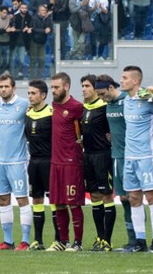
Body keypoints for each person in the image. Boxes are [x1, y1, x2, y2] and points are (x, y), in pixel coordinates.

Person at [120, 65, 153, 253]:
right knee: (134, 198)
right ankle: (140, 241)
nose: (122, 81)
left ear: (136, 81)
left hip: (147, 156)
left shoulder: (149, 100)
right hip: (129, 156)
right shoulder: (125, 101)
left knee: (151, 197)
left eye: (125, 78)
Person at [0, 73, 32, 250]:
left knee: (22, 199)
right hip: (0, 161)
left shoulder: (23, 104)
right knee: (2, 199)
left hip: (18, 161)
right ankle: (7, 241)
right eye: (1, 87)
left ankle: (25, 240)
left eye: (6, 86)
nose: (3, 89)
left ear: (14, 88)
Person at [47, 72, 85, 251]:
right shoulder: (53, 106)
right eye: (52, 87)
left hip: (72, 161)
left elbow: (86, 130)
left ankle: (77, 243)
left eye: (56, 87)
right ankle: (63, 241)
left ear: (67, 87)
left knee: (73, 202)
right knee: (58, 202)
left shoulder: (77, 107)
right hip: (56, 162)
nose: (53, 91)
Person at [83, 75, 118, 251]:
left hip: (103, 156)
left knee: (106, 196)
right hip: (87, 156)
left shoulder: (105, 107)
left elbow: (115, 128)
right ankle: (100, 237)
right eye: (82, 86)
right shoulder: (83, 108)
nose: (84, 89)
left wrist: (112, 137)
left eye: (87, 85)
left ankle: (108, 240)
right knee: (94, 196)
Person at [102, 72, 137, 247]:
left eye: (103, 94)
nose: (101, 98)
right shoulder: (108, 105)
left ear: (110, 88)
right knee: (123, 199)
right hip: (116, 156)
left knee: (134, 198)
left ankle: (140, 238)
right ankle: (131, 239)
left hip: (130, 157)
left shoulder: (127, 100)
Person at [24, 79, 53, 250]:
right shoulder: (28, 114)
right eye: (28, 93)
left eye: (33, 93)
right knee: (36, 199)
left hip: (49, 161)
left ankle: (59, 239)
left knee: (54, 200)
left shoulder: (51, 113)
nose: (30, 96)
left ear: (43, 95)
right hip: (33, 162)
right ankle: (38, 240)